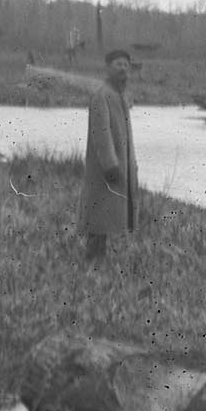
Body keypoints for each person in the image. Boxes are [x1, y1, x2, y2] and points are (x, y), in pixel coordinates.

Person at [78, 50, 139, 263]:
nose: (123, 69)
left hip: (118, 167)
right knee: (98, 214)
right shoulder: (101, 95)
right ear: (108, 68)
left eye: (125, 65)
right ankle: (92, 259)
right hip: (104, 170)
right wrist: (111, 166)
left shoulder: (120, 95)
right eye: (118, 64)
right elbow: (101, 134)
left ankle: (100, 258)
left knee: (109, 214)